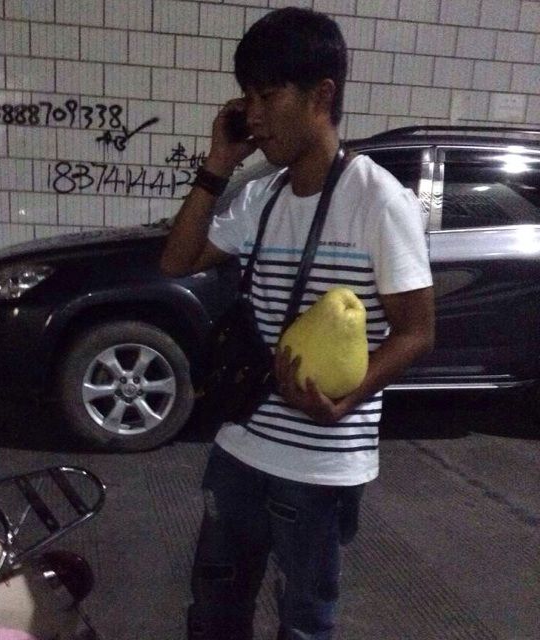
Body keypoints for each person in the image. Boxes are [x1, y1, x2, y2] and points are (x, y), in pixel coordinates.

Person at [160, 7, 435, 640]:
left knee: (304, 624)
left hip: (319, 467)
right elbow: (176, 261)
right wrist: (217, 165)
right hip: (240, 445)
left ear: (322, 96)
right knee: (214, 611)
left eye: (268, 95)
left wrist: (348, 400)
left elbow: (417, 331)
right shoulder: (264, 196)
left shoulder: (379, 201)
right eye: (247, 98)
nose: (252, 115)